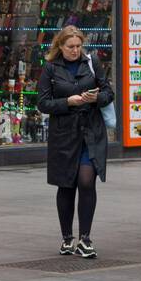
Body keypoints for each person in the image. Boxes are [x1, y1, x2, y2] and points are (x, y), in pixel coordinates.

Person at [38, 27, 114, 258]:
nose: (75, 51)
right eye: (70, 47)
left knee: (87, 181)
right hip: (64, 134)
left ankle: (85, 238)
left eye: (78, 46)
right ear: (60, 46)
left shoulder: (92, 62)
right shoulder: (50, 68)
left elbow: (109, 92)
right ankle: (67, 238)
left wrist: (96, 98)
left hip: (90, 131)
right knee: (66, 185)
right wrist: (67, 102)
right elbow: (43, 103)